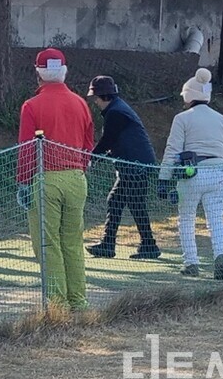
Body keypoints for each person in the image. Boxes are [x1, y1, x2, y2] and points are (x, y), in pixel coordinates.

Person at [16, 48, 94, 310]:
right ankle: (78, 300)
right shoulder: (81, 103)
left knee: (48, 242)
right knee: (72, 241)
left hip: (45, 179)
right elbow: (87, 143)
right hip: (76, 178)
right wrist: (80, 167)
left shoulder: (31, 106)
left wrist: (23, 181)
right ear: (64, 72)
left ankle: (57, 302)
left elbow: (27, 148)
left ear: (38, 74)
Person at [157, 68, 223, 280]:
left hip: (191, 173)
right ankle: (221, 258)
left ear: (189, 95)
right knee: (216, 221)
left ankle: (191, 262)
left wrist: (164, 179)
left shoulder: (182, 119)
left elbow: (172, 150)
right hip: (218, 172)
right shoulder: (222, 119)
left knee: (186, 218)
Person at [85, 76, 161, 260]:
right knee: (122, 202)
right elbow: (120, 141)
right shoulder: (118, 108)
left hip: (134, 165)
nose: (95, 101)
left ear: (104, 96)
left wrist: (93, 157)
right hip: (136, 163)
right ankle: (115, 244)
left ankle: (136, 245)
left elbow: (108, 139)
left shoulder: (115, 112)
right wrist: (102, 156)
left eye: (96, 97)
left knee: (130, 203)